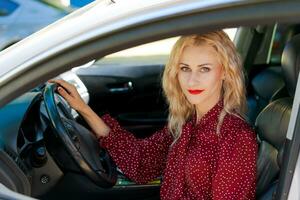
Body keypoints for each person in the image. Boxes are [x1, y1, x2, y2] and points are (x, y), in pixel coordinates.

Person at [50, 30, 258, 200]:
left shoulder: (236, 137)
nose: (192, 81)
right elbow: (140, 162)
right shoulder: (185, 125)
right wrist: (83, 109)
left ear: (224, 73)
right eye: (185, 68)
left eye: (204, 69)